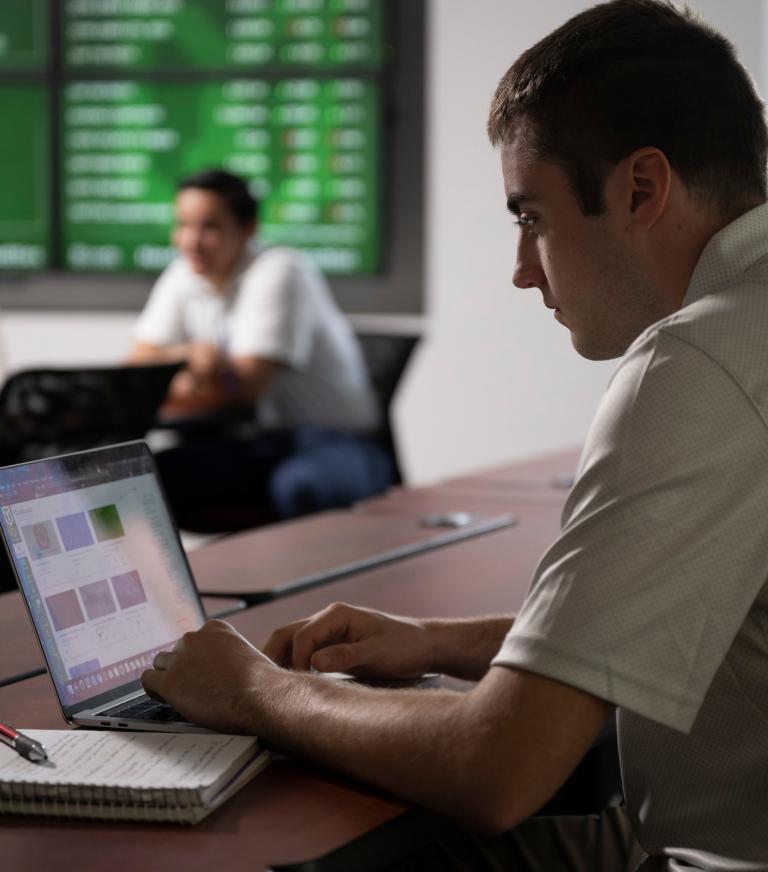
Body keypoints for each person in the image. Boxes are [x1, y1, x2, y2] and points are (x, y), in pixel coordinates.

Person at [141, 2, 768, 868]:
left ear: (640, 189)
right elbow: (706, 613)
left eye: (532, 218)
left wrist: (253, 688)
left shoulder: (695, 362)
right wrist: (442, 641)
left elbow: (495, 765)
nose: (520, 270)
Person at [129, 169, 393, 528]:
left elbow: (241, 389)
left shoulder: (280, 270)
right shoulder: (184, 273)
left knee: (299, 486)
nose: (191, 241)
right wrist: (189, 357)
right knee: (138, 481)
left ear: (248, 228)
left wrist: (178, 377)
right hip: (256, 446)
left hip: (336, 444)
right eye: (183, 224)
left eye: (209, 227)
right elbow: (135, 371)